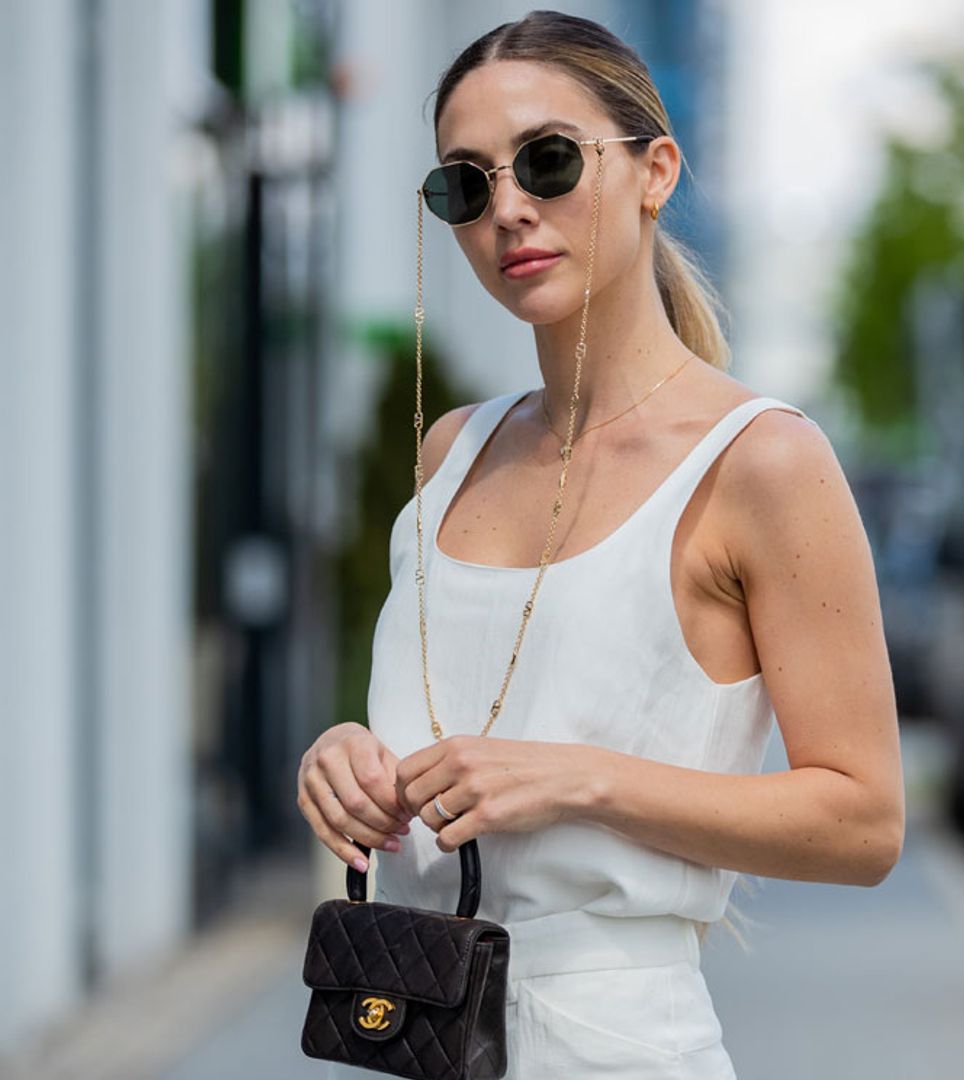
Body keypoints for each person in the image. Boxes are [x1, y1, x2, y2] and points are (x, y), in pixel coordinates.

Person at [297, 10, 905, 1078]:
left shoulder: (760, 463)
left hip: (614, 1047)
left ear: (655, 170)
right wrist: (349, 760)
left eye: (548, 161)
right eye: (467, 184)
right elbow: (450, 735)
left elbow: (863, 822)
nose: (511, 210)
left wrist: (582, 780)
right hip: (419, 1026)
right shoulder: (453, 453)